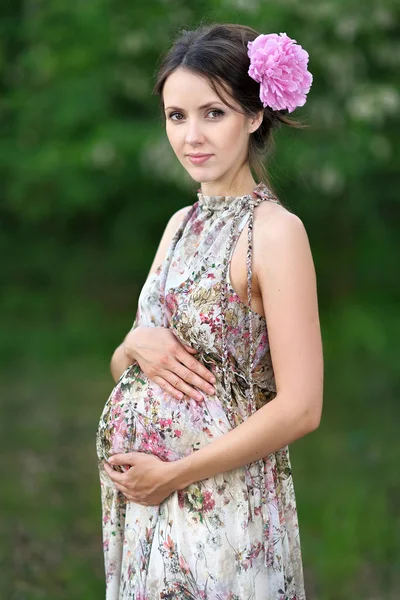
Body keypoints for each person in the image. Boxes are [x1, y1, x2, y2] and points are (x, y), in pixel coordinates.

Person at [96, 23, 323, 600]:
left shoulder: (274, 233)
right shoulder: (179, 226)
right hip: (149, 508)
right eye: (176, 116)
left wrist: (171, 476)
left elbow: (301, 408)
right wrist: (133, 345)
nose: (191, 136)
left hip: (222, 507)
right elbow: (130, 367)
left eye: (212, 113)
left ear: (253, 116)